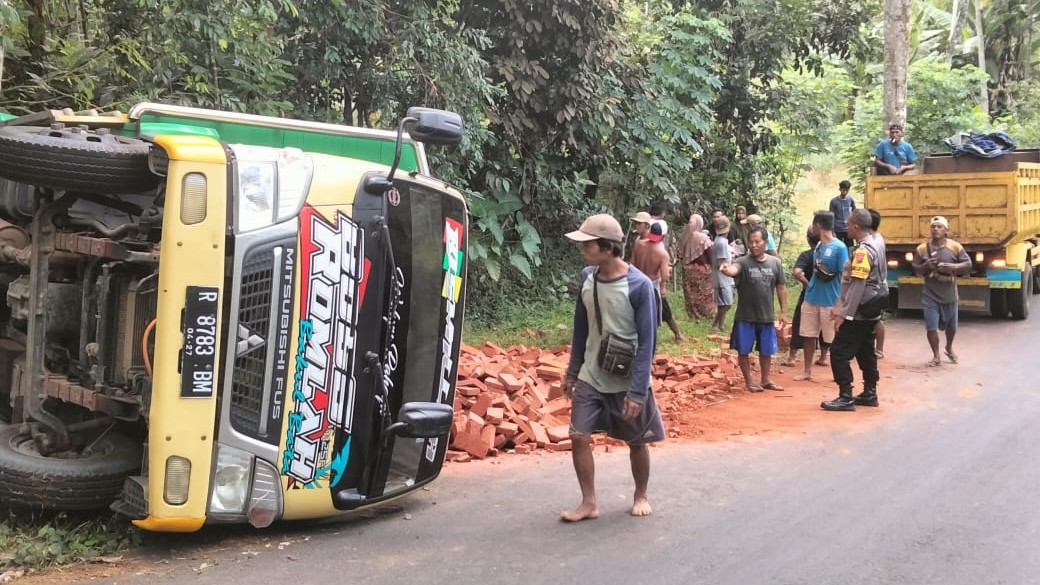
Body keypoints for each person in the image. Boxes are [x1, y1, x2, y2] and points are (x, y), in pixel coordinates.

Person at [561, 213, 666, 521]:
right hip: (592, 373)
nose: (583, 250)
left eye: (588, 245)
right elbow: (581, 327)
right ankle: (589, 502)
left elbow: (648, 341)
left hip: (627, 376)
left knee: (636, 441)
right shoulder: (587, 278)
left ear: (607, 248)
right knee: (579, 435)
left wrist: (637, 391)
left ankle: (640, 494)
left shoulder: (639, 286)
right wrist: (572, 370)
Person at [821, 209, 887, 411]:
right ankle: (870, 392)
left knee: (839, 352)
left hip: (858, 311)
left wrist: (845, 314)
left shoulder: (862, 252)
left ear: (856, 227)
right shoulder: (877, 242)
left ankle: (845, 396)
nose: (846, 227)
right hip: (871, 309)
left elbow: (857, 285)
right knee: (866, 351)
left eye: (848, 224)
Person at [719, 227, 788, 392]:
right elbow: (733, 269)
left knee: (766, 350)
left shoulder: (775, 263)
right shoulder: (743, 261)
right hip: (746, 316)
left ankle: (765, 380)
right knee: (743, 349)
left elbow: (781, 287)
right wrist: (727, 270)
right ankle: (749, 381)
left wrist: (783, 311)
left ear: (765, 242)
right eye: (751, 241)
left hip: (766, 316)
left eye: (757, 241)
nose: (754, 245)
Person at [795, 211, 849, 381]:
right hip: (811, 298)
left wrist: (840, 303)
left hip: (830, 301)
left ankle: (838, 373)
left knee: (833, 339)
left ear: (817, 225)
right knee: (808, 335)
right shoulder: (818, 246)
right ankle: (807, 371)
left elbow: (844, 276)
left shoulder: (840, 247)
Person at [911, 215, 971, 366]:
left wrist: (954, 267)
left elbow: (968, 264)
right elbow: (915, 268)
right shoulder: (922, 248)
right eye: (933, 227)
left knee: (952, 327)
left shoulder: (955, 247)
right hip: (930, 293)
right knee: (931, 326)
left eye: (939, 227)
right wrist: (926, 266)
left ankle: (949, 348)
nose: (936, 229)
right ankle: (936, 356)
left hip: (950, 294)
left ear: (946, 230)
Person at [633, 222, 684, 342]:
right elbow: (664, 275)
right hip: (653, 284)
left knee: (638, 311)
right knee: (661, 311)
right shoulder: (662, 253)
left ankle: (677, 334)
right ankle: (677, 335)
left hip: (638, 281)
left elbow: (633, 264)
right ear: (663, 237)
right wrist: (662, 288)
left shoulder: (639, 244)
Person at [780, 226, 820, 367]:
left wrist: (807, 284)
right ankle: (824, 356)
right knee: (822, 323)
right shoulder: (827, 254)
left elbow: (797, 272)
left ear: (808, 239)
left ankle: (792, 356)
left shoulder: (806, 255)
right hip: (826, 295)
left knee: (799, 322)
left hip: (809, 294)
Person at [678, 214, 716, 319]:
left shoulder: (685, 237)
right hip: (702, 269)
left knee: (691, 293)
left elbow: (680, 253)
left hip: (688, 270)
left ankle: (693, 314)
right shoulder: (701, 237)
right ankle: (707, 313)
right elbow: (710, 253)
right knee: (705, 293)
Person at [710, 216, 735, 333]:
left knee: (725, 302)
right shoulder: (721, 243)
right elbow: (721, 263)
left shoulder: (722, 241)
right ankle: (716, 324)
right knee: (726, 303)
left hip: (724, 277)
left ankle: (720, 324)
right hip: (723, 277)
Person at [868, 208, 887, 359]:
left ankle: (879, 349)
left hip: (876, 286)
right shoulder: (877, 237)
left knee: (876, 319)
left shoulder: (873, 242)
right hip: (879, 284)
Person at [829, 181, 856, 247]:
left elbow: (854, 210)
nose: (845, 192)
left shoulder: (850, 199)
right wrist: (832, 230)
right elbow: (831, 216)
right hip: (838, 229)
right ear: (840, 189)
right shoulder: (834, 201)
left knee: (850, 247)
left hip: (848, 229)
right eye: (843, 190)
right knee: (837, 247)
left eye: (847, 190)